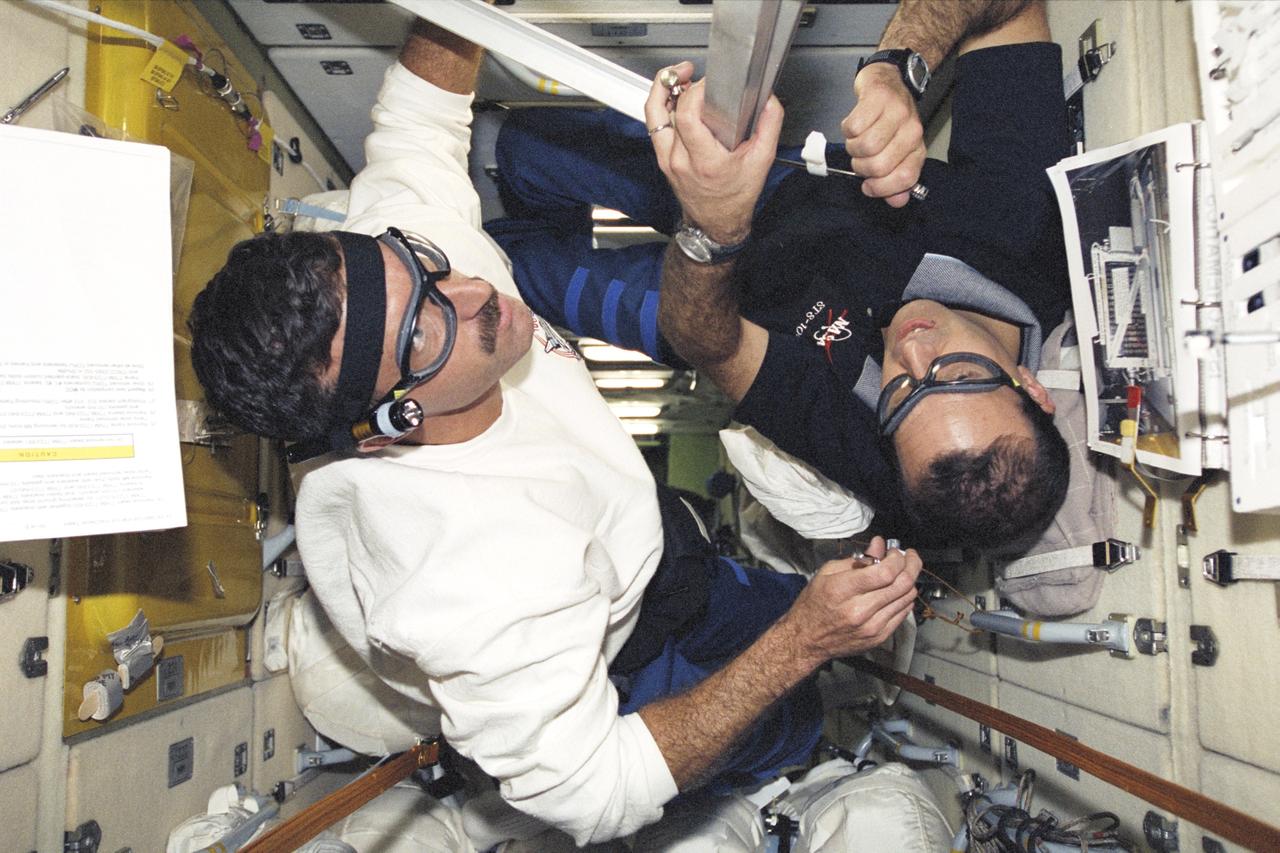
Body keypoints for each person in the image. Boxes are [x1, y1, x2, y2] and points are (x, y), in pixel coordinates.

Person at [187, 14, 921, 848]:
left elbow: (417, 120)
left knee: (778, 606)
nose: (471, 292)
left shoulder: (395, 278)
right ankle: (805, 731)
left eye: (423, 265)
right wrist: (801, 644)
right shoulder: (474, 589)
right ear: (390, 424)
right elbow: (594, 794)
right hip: (623, 650)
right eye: (426, 332)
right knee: (786, 717)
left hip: (663, 549)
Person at [486, 0, 1072, 547]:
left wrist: (712, 231)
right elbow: (1011, 10)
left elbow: (714, 349)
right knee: (528, 146)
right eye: (958, 373)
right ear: (1032, 386)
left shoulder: (880, 451)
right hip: (778, 184)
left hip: (711, 308)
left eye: (900, 393)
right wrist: (897, 68)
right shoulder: (1027, 234)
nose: (914, 353)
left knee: (514, 276)